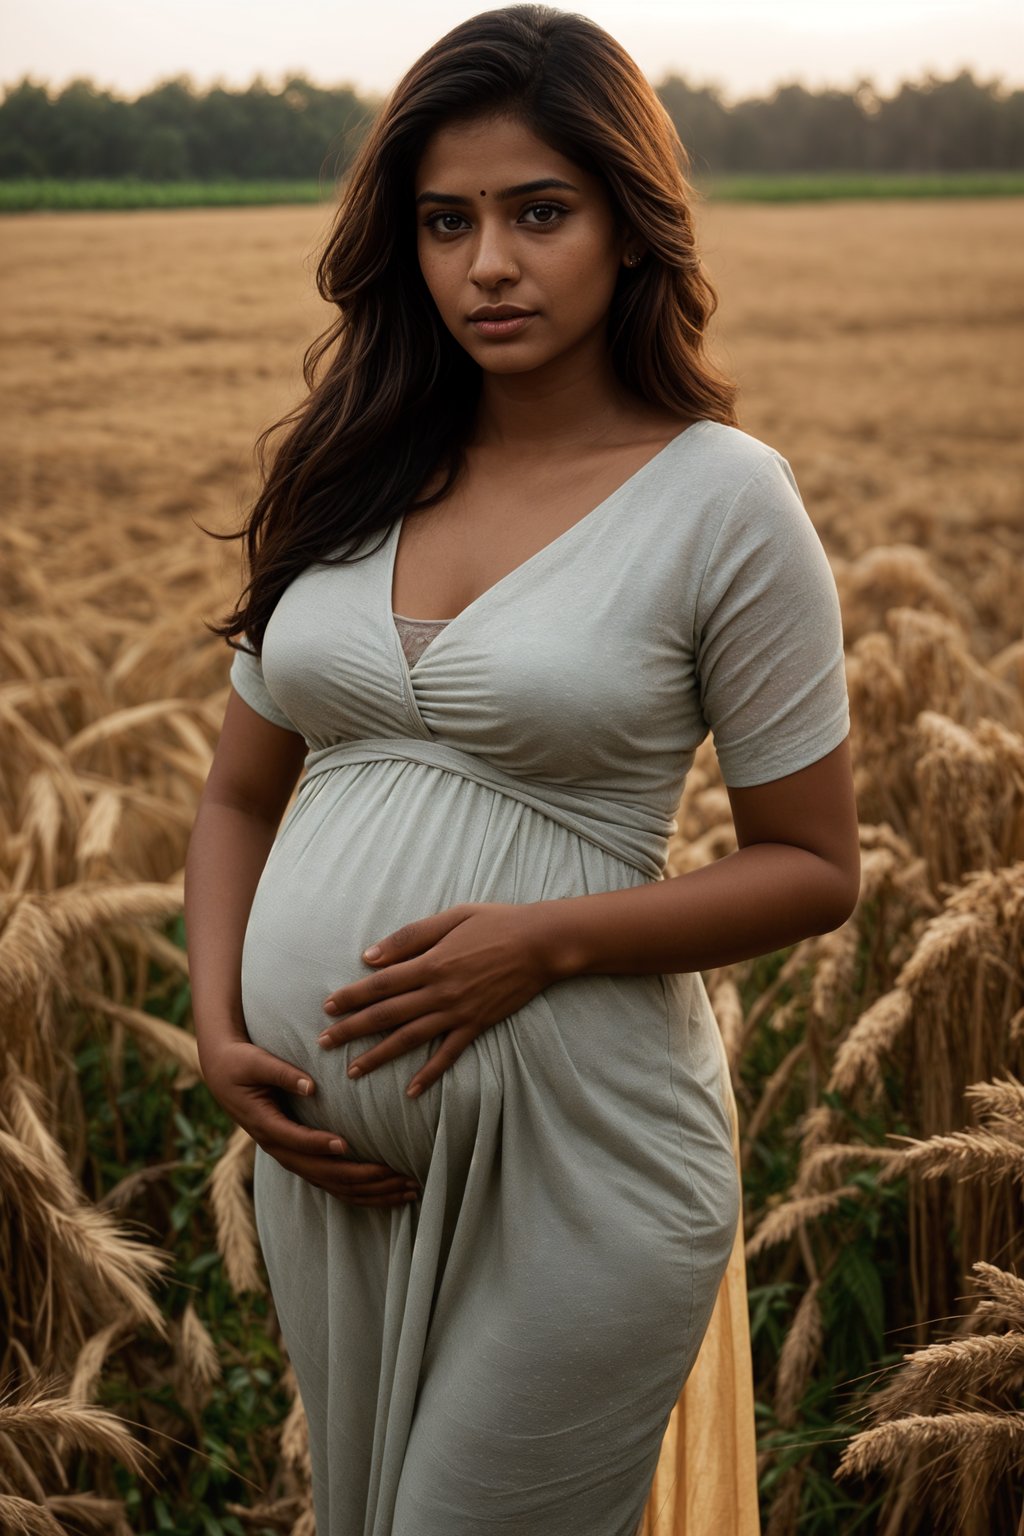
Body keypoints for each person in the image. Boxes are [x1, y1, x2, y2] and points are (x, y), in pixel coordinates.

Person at [183, 6, 860, 1533]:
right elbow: (237, 794)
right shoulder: (347, 471)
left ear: (631, 227)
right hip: (332, 1170)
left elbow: (816, 868)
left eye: (538, 213)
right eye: (446, 221)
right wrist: (217, 1025)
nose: (488, 263)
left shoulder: (723, 503)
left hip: (588, 1166)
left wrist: (539, 941)